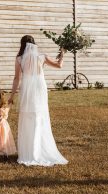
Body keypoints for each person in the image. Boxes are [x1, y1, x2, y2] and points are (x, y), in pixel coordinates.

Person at [8, 35, 68, 166]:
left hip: (27, 90)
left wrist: (11, 96)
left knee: (28, 116)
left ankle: (28, 151)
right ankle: (39, 150)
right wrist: (62, 54)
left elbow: (16, 79)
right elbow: (59, 65)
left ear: (22, 45)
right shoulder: (42, 57)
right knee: (39, 116)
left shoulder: (19, 59)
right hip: (40, 89)